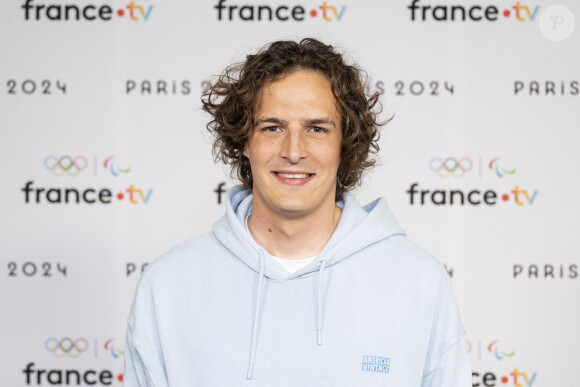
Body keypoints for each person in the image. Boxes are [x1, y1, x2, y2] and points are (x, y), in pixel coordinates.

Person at [123, 38, 471, 386]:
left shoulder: (419, 282)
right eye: (272, 127)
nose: (293, 151)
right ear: (245, 141)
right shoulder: (167, 286)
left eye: (316, 129)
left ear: (344, 142)